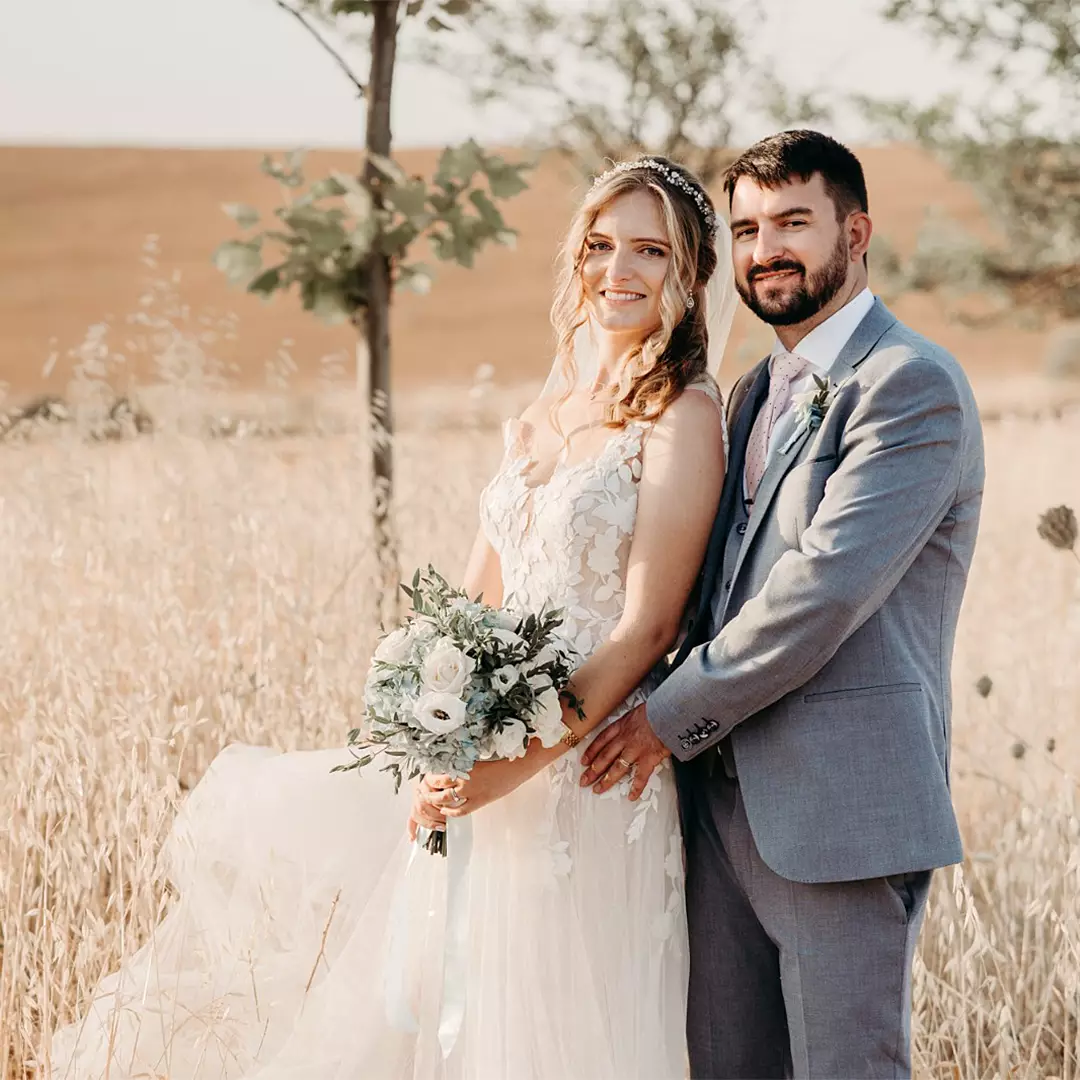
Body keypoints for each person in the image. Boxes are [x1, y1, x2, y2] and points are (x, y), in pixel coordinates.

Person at [47, 156, 737, 1080]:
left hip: (586, 774)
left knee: (557, 1028)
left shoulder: (683, 416)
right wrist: (431, 733)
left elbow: (647, 629)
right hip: (477, 758)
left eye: (650, 250)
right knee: (442, 1017)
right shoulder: (541, 414)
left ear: (688, 277)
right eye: (601, 245)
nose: (618, 269)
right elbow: (466, 604)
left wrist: (507, 769)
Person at [582, 129, 986, 1079]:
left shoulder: (909, 388)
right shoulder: (754, 391)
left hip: (839, 816)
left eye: (794, 222)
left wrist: (661, 720)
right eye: (749, 229)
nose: (767, 251)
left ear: (857, 231)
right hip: (716, 810)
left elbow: (821, 593)